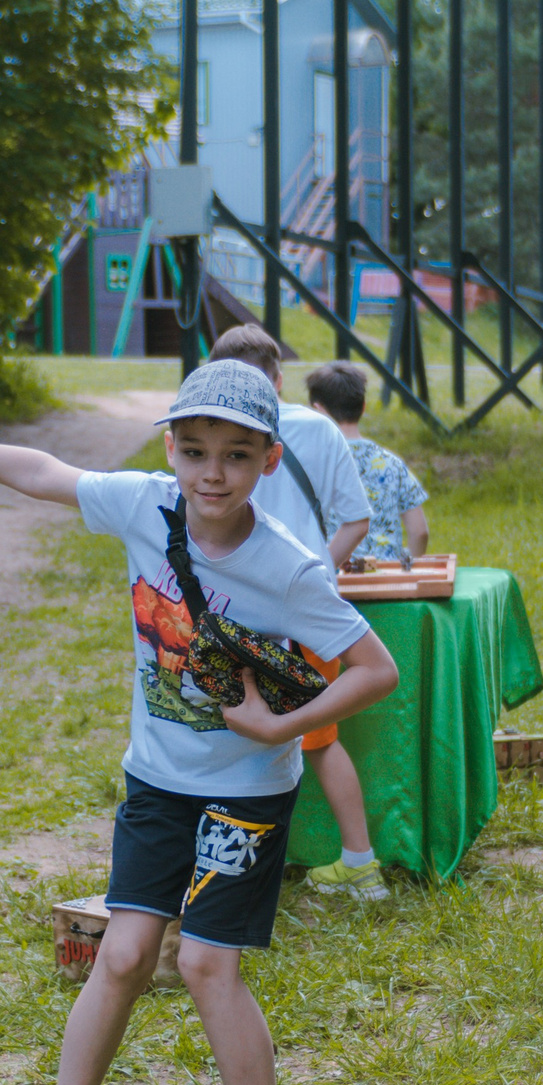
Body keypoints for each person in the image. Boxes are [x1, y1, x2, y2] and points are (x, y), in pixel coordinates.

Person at [0, 360, 400, 1085]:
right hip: (158, 783)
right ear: (171, 450)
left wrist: (275, 729)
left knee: (209, 964)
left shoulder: (290, 567)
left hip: (248, 793)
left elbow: (377, 669)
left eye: (234, 454)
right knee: (121, 954)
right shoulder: (147, 505)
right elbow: (42, 471)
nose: (210, 473)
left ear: (268, 459)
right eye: (192, 450)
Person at [205, 326, 389, 902]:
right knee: (320, 740)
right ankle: (360, 863)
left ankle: (220, 875)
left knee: (219, 741)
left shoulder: (207, 436)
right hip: (303, 619)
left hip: (226, 616)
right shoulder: (317, 428)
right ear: (279, 377)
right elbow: (355, 521)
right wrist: (312, 580)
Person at [304, 360, 429, 565]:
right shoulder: (392, 463)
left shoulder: (310, 464)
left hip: (332, 578)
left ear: (318, 411)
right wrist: (408, 566)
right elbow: (419, 531)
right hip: (386, 578)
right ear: (363, 407)